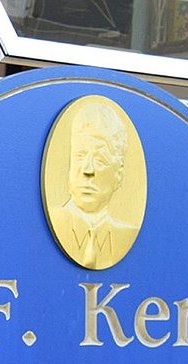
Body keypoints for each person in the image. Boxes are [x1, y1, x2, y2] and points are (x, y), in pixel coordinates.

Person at [46, 98, 142, 270]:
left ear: (119, 174)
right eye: (80, 156)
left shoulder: (128, 234)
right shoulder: (50, 224)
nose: (87, 170)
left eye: (100, 160)